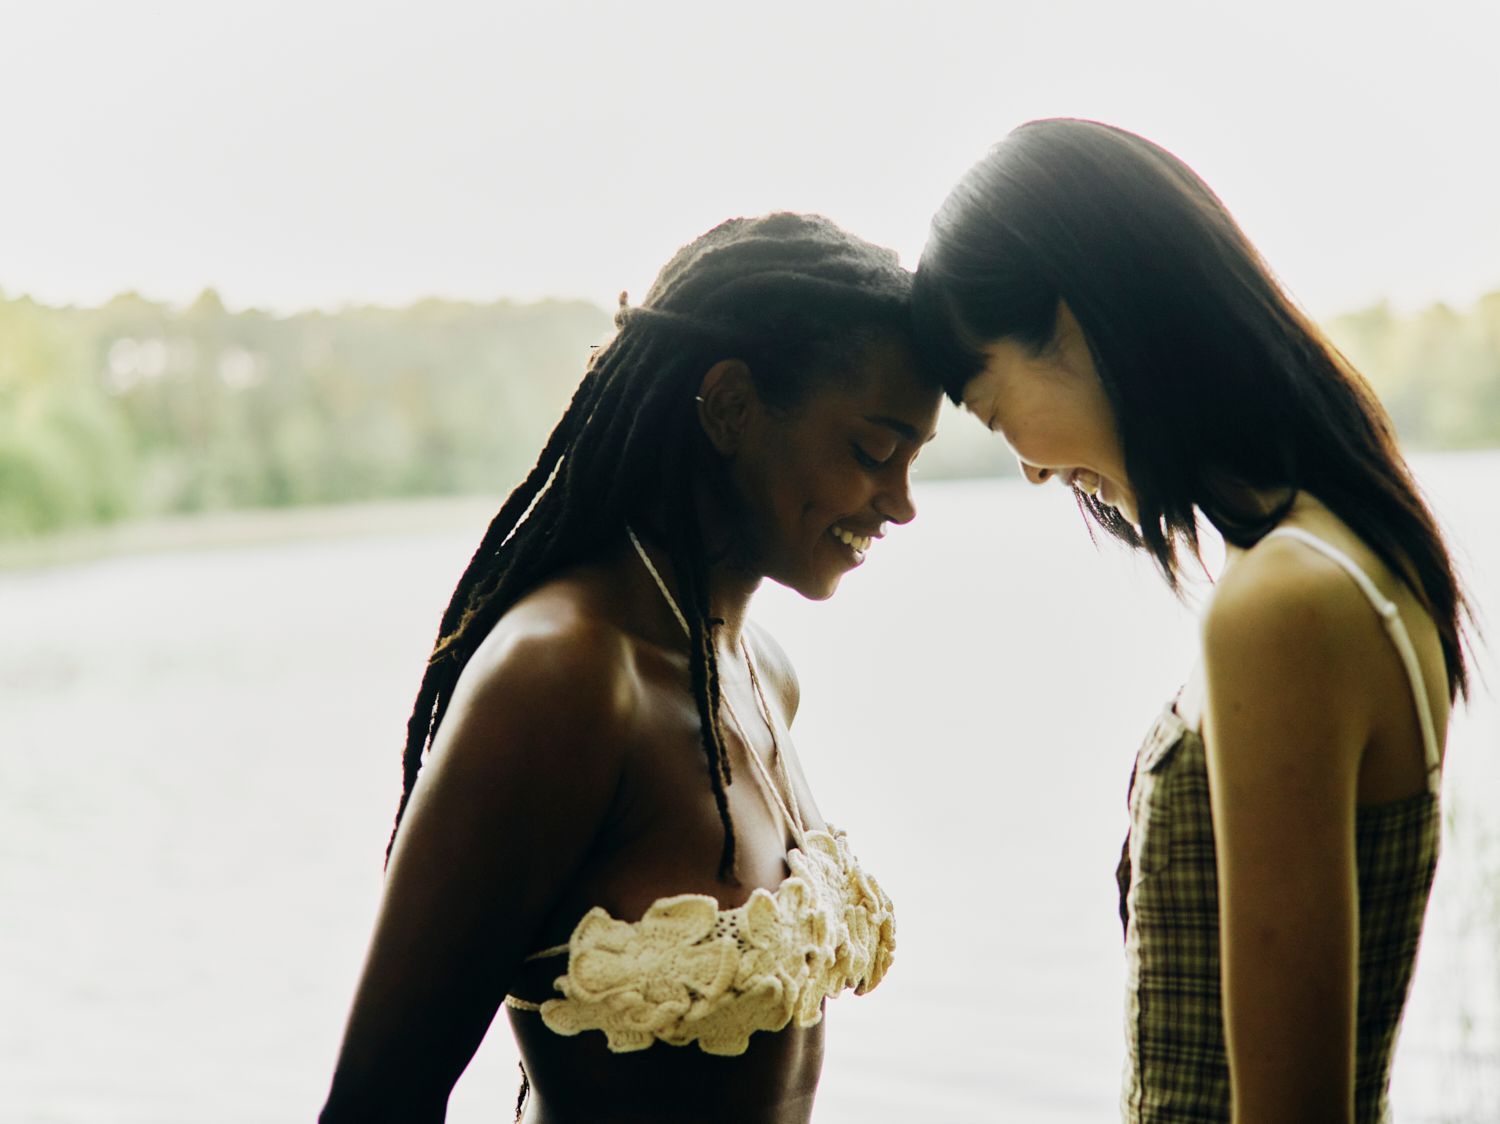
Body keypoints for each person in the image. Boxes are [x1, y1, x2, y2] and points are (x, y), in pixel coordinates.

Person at [319, 212, 942, 1124]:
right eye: (873, 452)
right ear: (730, 408)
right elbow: (377, 1101)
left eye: (914, 460)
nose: (901, 502)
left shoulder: (763, 672)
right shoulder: (562, 680)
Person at [912, 119, 1473, 1123]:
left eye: (996, 410)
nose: (1033, 470)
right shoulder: (1350, 553)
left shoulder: (1281, 603)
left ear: (1074, 323)